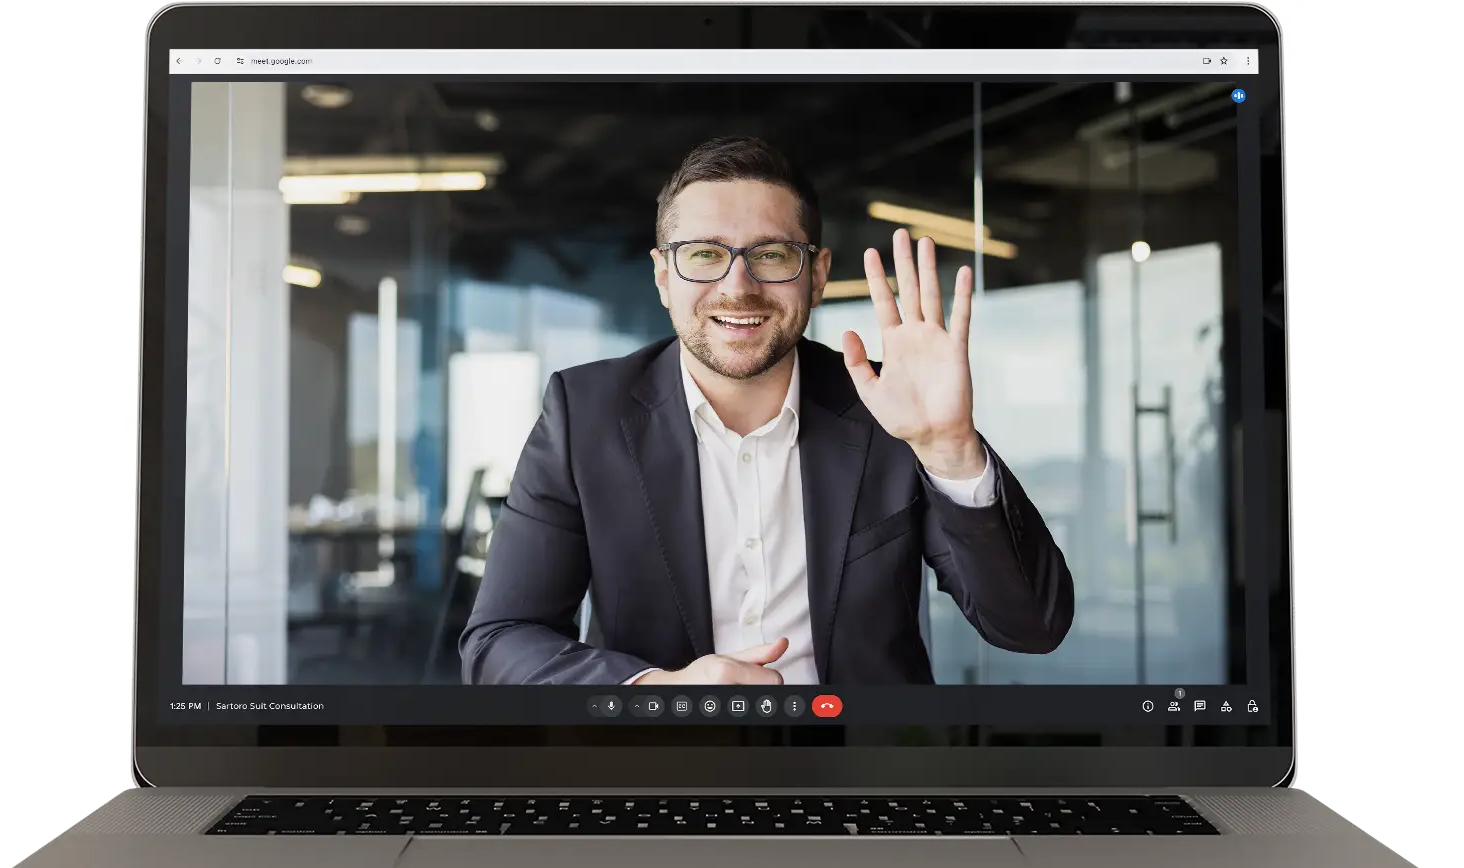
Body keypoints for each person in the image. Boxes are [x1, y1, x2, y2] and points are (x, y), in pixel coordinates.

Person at [459, 135, 1073, 686]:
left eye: (773, 255)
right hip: (655, 775)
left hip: (866, 782)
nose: (738, 287)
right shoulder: (584, 416)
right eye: (702, 255)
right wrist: (654, 693)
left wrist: (949, 449)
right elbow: (499, 642)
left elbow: (1031, 628)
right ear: (663, 277)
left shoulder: (891, 408)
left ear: (817, 275)